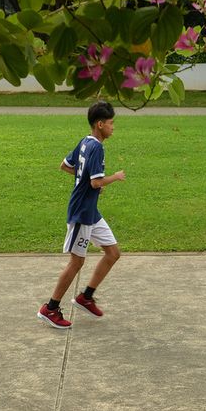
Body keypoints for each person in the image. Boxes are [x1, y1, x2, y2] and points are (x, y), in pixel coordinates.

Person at [38, 100, 126, 329]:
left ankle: (85, 296)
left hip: (91, 211)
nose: (113, 127)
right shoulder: (96, 146)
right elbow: (96, 182)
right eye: (110, 123)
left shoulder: (85, 142)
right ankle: (50, 308)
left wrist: (86, 179)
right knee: (76, 262)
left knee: (113, 252)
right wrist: (114, 177)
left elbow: (65, 165)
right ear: (100, 124)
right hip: (81, 213)